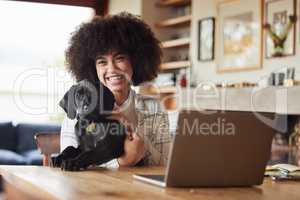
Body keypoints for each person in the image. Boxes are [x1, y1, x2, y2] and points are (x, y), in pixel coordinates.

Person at [60, 12, 172, 167]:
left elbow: (164, 165)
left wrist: (130, 129)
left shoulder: (155, 109)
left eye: (120, 58)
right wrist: (122, 162)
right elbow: (68, 166)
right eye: (102, 62)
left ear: (135, 61)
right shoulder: (78, 110)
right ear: (93, 68)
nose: (112, 69)